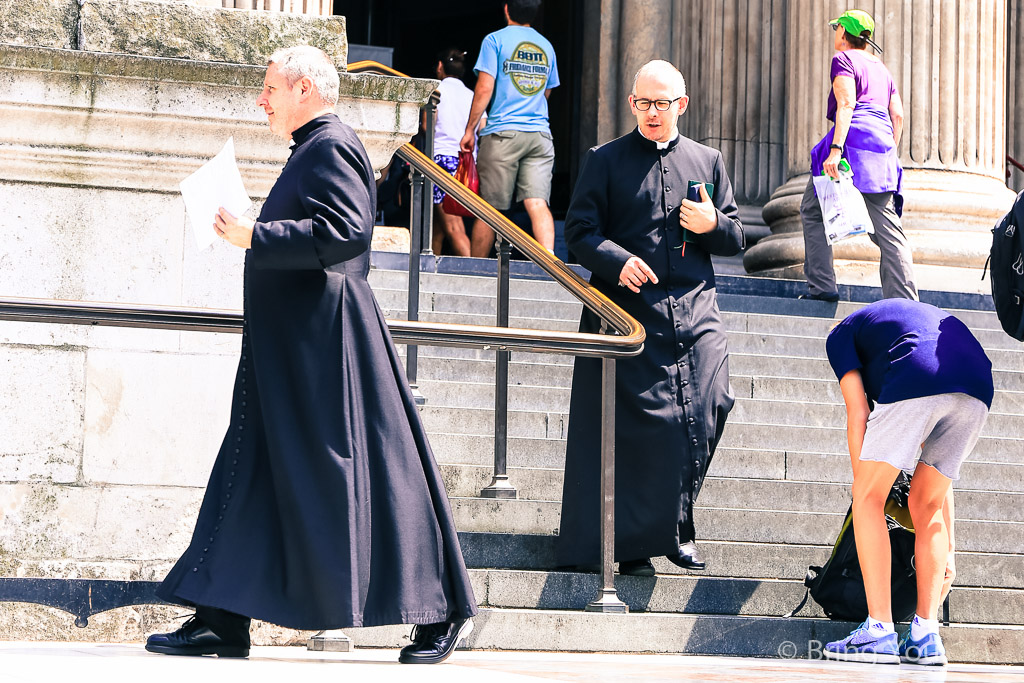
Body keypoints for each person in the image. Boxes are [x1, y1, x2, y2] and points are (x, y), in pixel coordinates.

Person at [144, 46, 477, 665]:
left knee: (378, 468)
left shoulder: (332, 143)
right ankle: (221, 616)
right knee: (252, 473)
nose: (262, 99)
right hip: (293, 346)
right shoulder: (311, 148)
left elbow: (346, 232)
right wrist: (254, 228)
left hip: (329, 345)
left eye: (269, 87)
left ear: (304, 89)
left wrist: (255, 234)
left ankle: (440, 609)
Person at [556, 60, 744, 576]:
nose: (652, 113)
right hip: (628, 313)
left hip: (695, 306)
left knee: (712, 402)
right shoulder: (604, 159)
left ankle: (676, 522)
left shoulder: (708, 160)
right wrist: (618, 261)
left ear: (681, 104)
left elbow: (735, 237)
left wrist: (711, 224)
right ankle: (639, 542)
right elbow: (579, 232)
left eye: (662, 103)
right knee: (641, 429)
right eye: (643, 103)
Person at [822, 298, 993, 666]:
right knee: (926, 505)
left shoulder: (840, 335)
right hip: (978, 382)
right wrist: (950, 547)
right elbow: (933, 486)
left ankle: (879, 632)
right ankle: (925, 635)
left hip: (918, 372)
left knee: (868, 497)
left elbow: (859, 412)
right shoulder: (896, 335)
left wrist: (866, 491)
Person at [800, 9, 917, 302]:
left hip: (851, 144)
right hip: (882, 146)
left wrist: (836, 150)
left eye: (836, 28)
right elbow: (898, 116)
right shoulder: (882, 69)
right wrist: (887, 148)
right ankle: (905, 300)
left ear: (843, 33)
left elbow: (847, 103)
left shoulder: (843, 60)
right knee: (888, 230)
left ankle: (823, 286)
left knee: (812, 211)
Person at [459, 0, 558, 257]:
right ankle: (552, 271)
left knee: (489, 209)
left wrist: (470, 130)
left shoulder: (495, 40)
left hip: (503, 133)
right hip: (539, 134)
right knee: (537, 203)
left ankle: (475, 272)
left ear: (506, 10)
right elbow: (546, 91)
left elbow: (484, 88)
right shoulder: (546, 46)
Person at [430, 47, 474, 257]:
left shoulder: (437, 90)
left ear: (440, 66)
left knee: (454, 227)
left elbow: (426, 126)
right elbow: (481, 126)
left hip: (442, 162)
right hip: (465, 164)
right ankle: (430, 272)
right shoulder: (472, 95)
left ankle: (476, 275)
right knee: (438, 228)